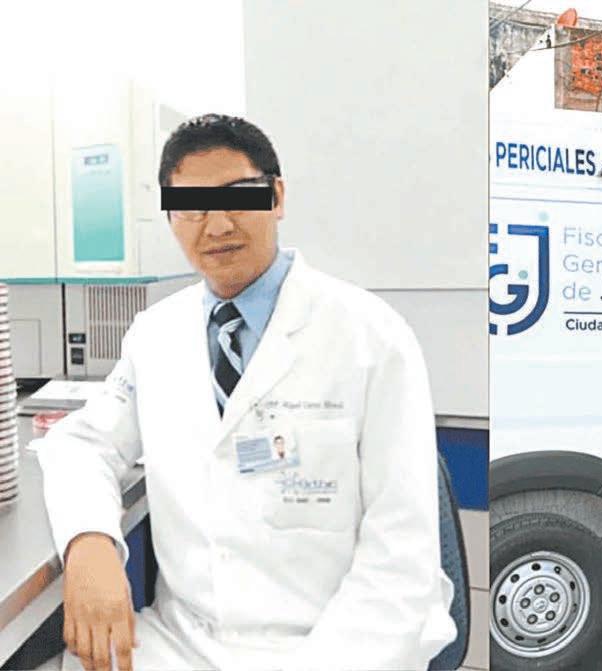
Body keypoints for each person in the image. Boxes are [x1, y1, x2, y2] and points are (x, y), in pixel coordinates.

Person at [36, 114, 455, 671]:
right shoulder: (156, 335)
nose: (216, 225)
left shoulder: (372, 337)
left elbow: (402, 556)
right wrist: (89, 543)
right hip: (182, 643)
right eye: (191, 206)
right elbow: (82, 444)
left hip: (338, 643)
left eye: (238, 197)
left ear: (276, 197)